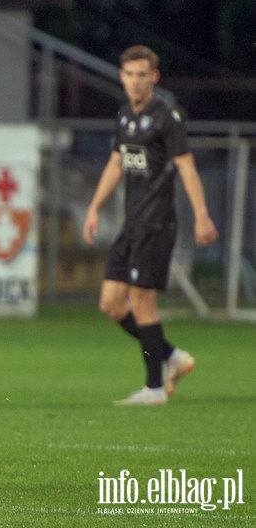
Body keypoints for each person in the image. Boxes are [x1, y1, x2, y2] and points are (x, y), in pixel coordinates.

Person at [82, 45, 219, 406]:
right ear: (121, 76)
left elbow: (187, 166)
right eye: (129, 74)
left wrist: (202, 214)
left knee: (142, 301)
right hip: (132, 223)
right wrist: (95, 207)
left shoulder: (166, 116)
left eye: (142, 74)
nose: (135, 81)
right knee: (112, 303)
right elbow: (116, 163)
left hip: (157, 223)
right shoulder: (124, 115)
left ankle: (155, 388)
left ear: (154, 77)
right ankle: (172, 356)